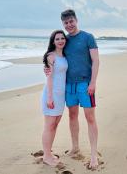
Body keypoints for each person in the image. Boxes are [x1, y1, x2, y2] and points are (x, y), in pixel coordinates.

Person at [46, 9, 100, 169]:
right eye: (66, 23)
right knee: (72, 116)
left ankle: (93, 155)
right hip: (69, 85)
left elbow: (96, 61)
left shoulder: (88, 37)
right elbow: (55, 57)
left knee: (90, 118)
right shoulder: (65, 40)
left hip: (85, 84)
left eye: (71, 21)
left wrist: (93, 82)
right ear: (63, 24)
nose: (69, 25)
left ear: (76, 20)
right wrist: (47, 68)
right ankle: (75, 147)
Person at [41, 30, 68, 166]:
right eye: (57, 39)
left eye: (62, 38)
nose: (60, 41)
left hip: (61, 95)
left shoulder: (64, 56)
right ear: (53, 41)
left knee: (55, 125)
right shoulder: (51, 56)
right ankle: (46, 156)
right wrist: (49, 98)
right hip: (51, 95)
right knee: (49, 125)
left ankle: (48, 152)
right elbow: (49, 77)